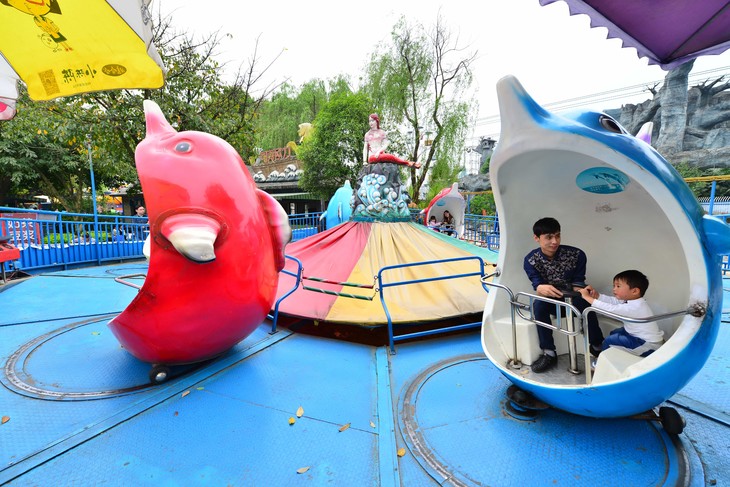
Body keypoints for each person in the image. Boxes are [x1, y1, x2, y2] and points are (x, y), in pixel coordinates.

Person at [523, 217, 605, 373]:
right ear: (536, 238)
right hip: (550, 301)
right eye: (548, 237)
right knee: (538, 306)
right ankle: (549, 352)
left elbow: (578, 281)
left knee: (587, 304)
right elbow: (537, 285)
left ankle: (597, 346)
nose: (554, 241)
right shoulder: (531, 260)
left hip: (573, 297)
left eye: (557, 236)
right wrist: (541, 288)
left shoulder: (576, 254)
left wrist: (584, 290)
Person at [578, 270, 663, 357]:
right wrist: (597, 296)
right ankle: (614, 356)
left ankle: (600, 363)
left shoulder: (635, 307)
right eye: (614, 286)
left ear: (634, 291)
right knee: (615, 332)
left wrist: (587, 298)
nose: (614, 289)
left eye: (618, 286)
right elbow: (613, 301)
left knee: (610, 340)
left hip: (648, 345)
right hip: (637, 337)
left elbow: (610, 309)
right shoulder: (631, 301)